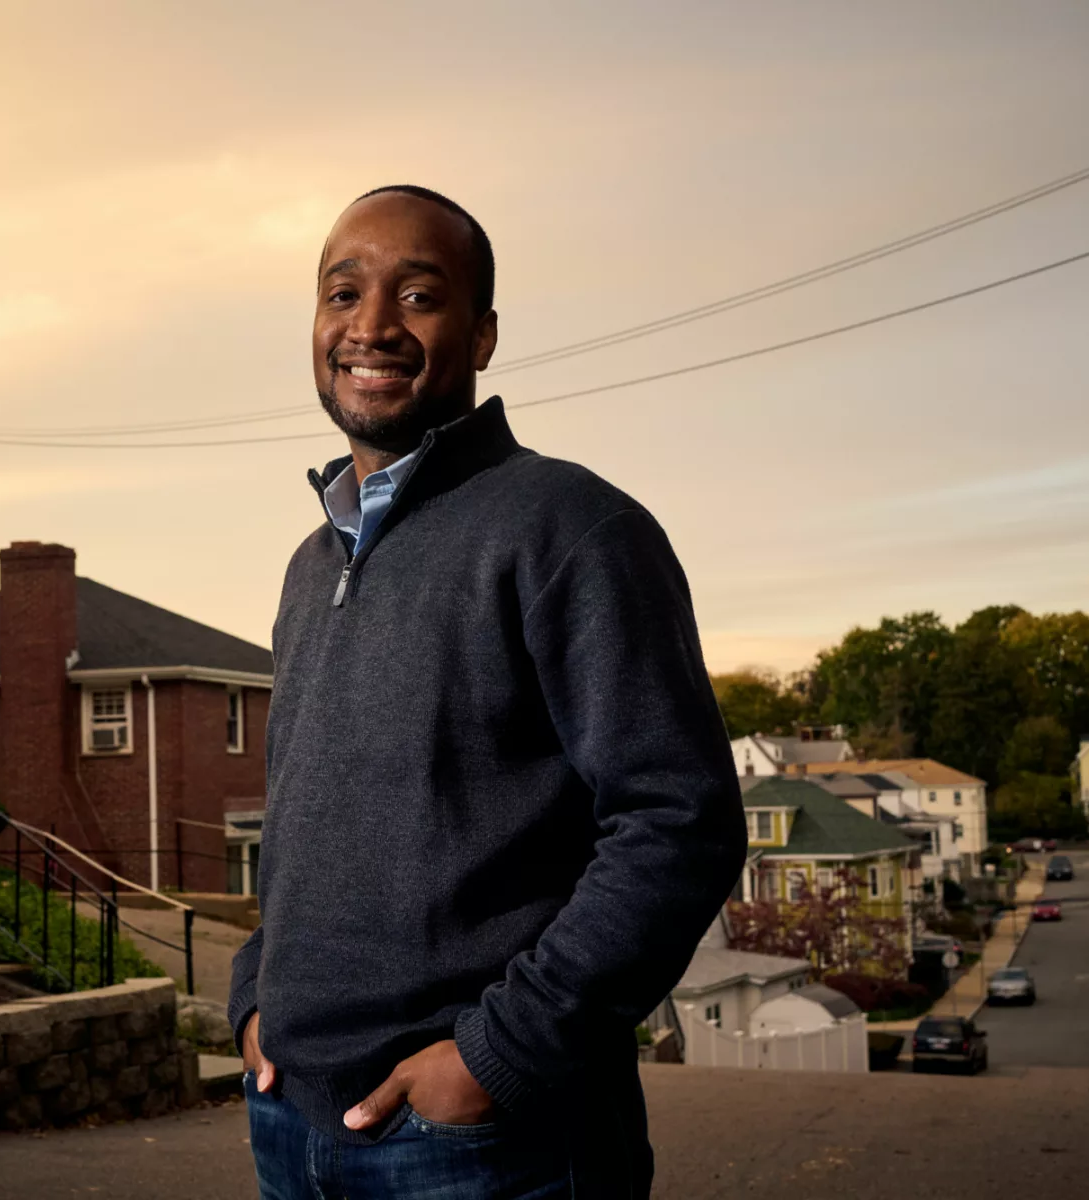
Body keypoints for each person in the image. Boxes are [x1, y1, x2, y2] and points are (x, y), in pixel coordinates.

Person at [228, 185, 746, 1198]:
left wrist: (496, 1058)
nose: (372, 326)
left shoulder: (571, 527)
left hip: (483, 1144)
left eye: (419, 296)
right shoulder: (309, 563)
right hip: (290, 1125)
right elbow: (296, 821)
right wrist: (254, 998)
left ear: (482, 335)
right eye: (343, 293)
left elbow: (676, 822)